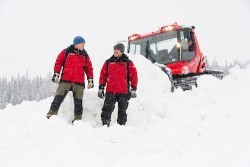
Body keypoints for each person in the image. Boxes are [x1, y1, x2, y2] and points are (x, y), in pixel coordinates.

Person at [46, 36, 94, 123]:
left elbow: (89, 68)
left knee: (78, 102)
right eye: (82, 44)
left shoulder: (85, 55)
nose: (83, 45)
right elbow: (58, 62)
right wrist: (57, 73)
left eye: (84, 44)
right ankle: (51, 114)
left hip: (79, 82)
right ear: (76, 44)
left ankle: (78, 119)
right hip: (66, 80)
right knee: (58, 98)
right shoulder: (66, 51)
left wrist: (90, 79)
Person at [98, 43, 138, 127]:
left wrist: (133, 88)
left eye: (117, 49)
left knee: (122, 112)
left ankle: (121, 128)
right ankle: (105, 126)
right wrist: (101, 87)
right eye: (114, 49)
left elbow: (134, 76)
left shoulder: (128, 63)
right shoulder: (108, 62)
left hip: (123, 92)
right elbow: (103, 75)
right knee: (106, 111)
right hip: (110, 92)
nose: (115, 51)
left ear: (122, 51)